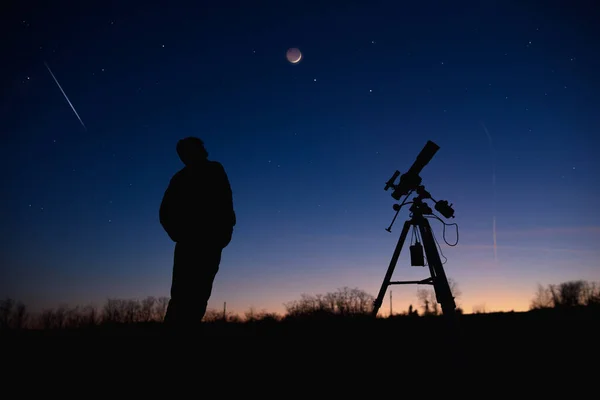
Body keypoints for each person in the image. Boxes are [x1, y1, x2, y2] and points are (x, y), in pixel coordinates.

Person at [159, 137, 236, 330]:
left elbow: (225, 204)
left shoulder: (212, 170)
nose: (202, 150)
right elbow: (165, 212)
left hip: (208, 242)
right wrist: (181, 235)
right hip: (192, 244)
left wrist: (223, 234)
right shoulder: (182, 178)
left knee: (197, 294)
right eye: (196, 148)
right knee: (184, 294)